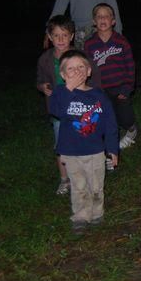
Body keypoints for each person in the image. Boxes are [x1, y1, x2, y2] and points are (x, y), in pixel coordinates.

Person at [48, 50, 118, 233]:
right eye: (71, 69)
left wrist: (112, 149)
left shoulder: (99, 96)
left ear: (88, 71)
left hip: (95, 150)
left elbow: (110, 123)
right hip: (71, 151)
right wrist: (69, 89)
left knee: (96, 185)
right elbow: (57, 111)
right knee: (78, 186)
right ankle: (80, 216)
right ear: (63, 75)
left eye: (81, 67)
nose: (77, 71)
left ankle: (96, 213)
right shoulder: (60, 93)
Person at [83, 3, 137, 153]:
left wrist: (127, 87)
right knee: (106, 118)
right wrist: (89, 89)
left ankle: (131, 130)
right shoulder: (89, 44)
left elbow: (130, 65)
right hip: (100, 89)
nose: (103, 19)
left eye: (106, 16)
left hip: (120, 87)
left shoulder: (121, 41)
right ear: (94, 21)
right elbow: (86, 68)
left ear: (113, 21)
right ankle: (109, 144)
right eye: (99, 16)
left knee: (125, 117)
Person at [37, 15, 78, 195]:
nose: (60, 39)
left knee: (80, 142)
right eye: (56, 35)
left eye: (64, 35)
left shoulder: (78, 56)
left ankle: (80, 176)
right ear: (50, 36)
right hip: (58, 111)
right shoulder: (45, 59)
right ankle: (64, 179)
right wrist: (42, 86)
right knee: (61, 146)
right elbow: (40, 80)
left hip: (78, 109)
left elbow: (90, 78)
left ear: (72, 36)